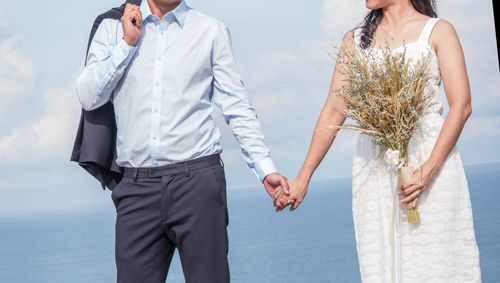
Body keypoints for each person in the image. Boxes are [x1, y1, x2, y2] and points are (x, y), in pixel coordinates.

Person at [75, 0, 289, 282]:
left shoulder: (211, 31)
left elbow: (237, 107)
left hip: (197, 183)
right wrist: (126, 44)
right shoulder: (113, 27)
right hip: (136, 188)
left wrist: (265, 168)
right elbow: (89, 97)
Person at [276, 0, 482, 282]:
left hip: (431, 163)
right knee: (381, 260)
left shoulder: (439, 31)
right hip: (374, 167)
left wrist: (428, 169)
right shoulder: (355, 40)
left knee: (437, 257)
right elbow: (335, 109)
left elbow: (461, 106)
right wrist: (304, 177)